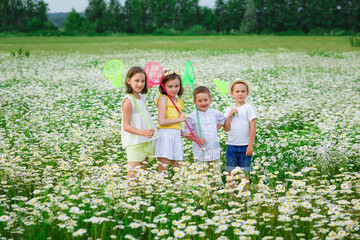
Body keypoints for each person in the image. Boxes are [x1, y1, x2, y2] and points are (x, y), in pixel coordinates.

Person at [121, 66, 157, 180]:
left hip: (146, 140)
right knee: (133, 175)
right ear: (128, 81)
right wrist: (142, 132)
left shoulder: (141, 97)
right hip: (135, 142)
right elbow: (126, 126)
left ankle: (140, 195)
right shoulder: (128, 101)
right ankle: (130, 195)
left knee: (142, 174)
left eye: (143, 81)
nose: (140, 84)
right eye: (136, 81)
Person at [185, 86, 226, 177]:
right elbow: (186, 133)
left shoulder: (214, 113)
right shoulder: (192, 117)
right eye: (200, 101)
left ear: (210, 100)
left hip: (214, 152)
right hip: (201, 154)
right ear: (194, 102)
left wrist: (214, 129)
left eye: (206, 100)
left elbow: (222, 120)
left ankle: (216, 189)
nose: (203, 103)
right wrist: (196, 139)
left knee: (216, 176)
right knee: (202, 177)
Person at [223, 79, 257, 189]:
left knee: (245, 171)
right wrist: (229, 115)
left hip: (245, 146)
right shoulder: (229, 109)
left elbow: (253, 127)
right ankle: (231, 194)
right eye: (237, 92)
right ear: (232, 94)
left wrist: (250, 145)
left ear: (247, 93)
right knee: (230, 171)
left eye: (243, 91)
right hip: (231, 145)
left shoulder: (249, 108)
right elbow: (226, 129)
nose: (240, 94)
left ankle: (244, 193)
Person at [155, 70, 190, 174]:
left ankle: (179, 189)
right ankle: (159, 188)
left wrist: (183, 133)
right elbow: (162, 121)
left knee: (179, 168)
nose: (174, 89)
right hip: (165, 136)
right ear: (163, 86)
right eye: (170, 86)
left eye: (177, 86)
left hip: (176, 136)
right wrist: (180, 119)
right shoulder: (163, 99)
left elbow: (176, 124)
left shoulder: (179, 101)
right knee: (163, 168)